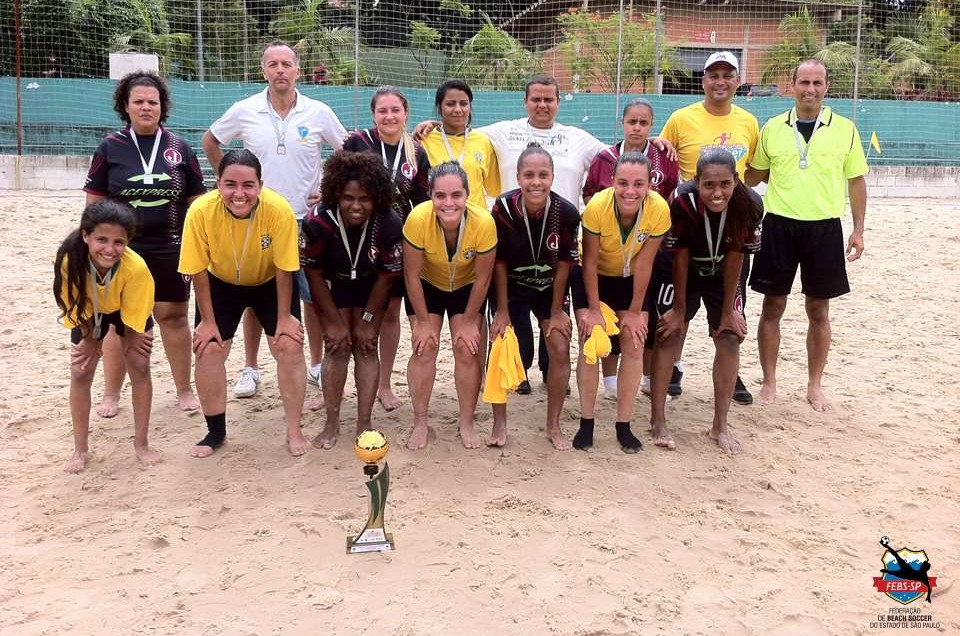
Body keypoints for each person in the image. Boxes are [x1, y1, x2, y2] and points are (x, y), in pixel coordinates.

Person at [202, 41, 347, 403]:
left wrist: (330, 190)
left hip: (306, 219)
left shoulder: (318, 111)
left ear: (297, 70)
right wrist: (229, 182)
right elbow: (210, 139)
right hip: (256, 217)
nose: (280, 70)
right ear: (263, 71)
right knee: (255, 292)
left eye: (286, 64)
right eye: (273, 64)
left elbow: (347, 149)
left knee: (311, 296)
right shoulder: (245, 109)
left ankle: (314, 362)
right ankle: (250, 368)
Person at [745, 59, 868, 412]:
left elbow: (856, 181)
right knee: (772, 306)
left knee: (819, 310)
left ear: (826, 87)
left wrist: (858, 230)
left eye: (817, 83)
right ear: (792, 85)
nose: (810, 89)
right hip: (779, 225)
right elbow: (754, 175)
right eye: (804, 82)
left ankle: (815, 385)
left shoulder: (845, 129)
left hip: (825, 228)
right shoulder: (772, 128)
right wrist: (731, 160)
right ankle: (769, 382)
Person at [84, 70, 206, 417]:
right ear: (126, 105)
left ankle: (184, 390)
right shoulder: (110, 147)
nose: (146, 107)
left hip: (171, 245)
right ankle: (111, 394)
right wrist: (93, 249)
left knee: (173, 316)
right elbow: (93, 203)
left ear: (162, 106)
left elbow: (198, 202)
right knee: (119, 320)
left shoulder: (179, 147)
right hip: (122, 250)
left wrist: (198, 245)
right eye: (138, 101)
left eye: (152, 101)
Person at [178, 149, 309, 457]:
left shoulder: (279, 210)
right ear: (218, 184)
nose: (239, 193)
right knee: (208, 349)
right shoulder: (200, 211)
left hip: (269, 282)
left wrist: (284, 319)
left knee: (289, 346)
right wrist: (207, 321)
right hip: (221, 283)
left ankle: (294, 429)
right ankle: (215, 432)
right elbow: (197, 270)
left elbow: (284, 268)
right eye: (230, 184)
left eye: (248, 185)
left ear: (260, 185)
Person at [658, 51, 759, 404]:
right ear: (703, 80)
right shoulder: (681, 117)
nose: (720, 81)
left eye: (727, 75)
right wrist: (660, 142)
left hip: (730, 228)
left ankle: (733, 376)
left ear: (737, 81)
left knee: (729, 317)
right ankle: (673, 368)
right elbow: (661, 151)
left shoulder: (748, 121)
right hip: (691, 225)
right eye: (713, 74)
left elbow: (755, 170)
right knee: (679, 313)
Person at [648, 150, 763, 454]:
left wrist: (728, 311)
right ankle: (658, 420)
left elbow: (738, 252)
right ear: (696, 181)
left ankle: (720, 426)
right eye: (709, 185)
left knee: (729, 337)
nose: (717, 193)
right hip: (679, 267)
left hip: (724, 270)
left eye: (725, 184)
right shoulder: (681, 201)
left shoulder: (749, 203)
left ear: (736, 181)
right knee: (668, 333)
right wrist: (680, 310)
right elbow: (680, 254)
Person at [300, 151, 403, 449]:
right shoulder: (317, 223)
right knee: (337, 345)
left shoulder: (389, 223)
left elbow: (386, 278)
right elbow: (314, 275)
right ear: (335, 195)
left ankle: (364, 422)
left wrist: (369, 322)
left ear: (377, 198)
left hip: (372, 288)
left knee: (367, 346)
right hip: (335, 287)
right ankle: (331, 423)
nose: (356, 206)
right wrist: (332, 322)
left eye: (364, 199)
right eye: (348, 198)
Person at [572, 152, 670, 453]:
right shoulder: (598, 207)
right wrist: (592, 309)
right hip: (596, 278)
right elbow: (588, 263)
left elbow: (644, 264)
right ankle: (586, 423)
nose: (631, 191)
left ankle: (623, 425)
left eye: (639, 184)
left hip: (631, 280)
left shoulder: (659, 210)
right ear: (612, 182)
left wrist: (638, 311)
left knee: (634, 341)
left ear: (649, 185)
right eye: (623, 183)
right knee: (592, 340)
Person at [583, 97, 680, 399]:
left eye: (644, 122)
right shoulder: (603, 160)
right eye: (632, 121)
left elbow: (670, 195)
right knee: (608, 323)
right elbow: (588, 197)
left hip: (650, 248)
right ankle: (610, 380)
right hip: (609, 251)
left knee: (643, 324)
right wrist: (611, 222)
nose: (637, 127)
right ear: (622, 124)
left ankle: (653, 376)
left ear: (652, 126)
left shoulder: (665, 158)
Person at [54, 200, 161, 473]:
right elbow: (73, 304)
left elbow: (137, 310)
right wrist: (91, 341)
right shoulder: (70, 260)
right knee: (81, 370)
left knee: (139, 365)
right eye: (102, 239)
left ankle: (142, 443)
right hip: (89, 311)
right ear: (85, 235)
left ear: (128, 242)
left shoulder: (135, 267)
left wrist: (134, 338)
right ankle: (80, 449)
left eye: (119, 242)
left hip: (127, 306)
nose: (110, 249)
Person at [344, 86, 431, 413]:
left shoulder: (416, 151)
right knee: (355, 309)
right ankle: (346, 379)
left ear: (405, 114)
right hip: (357, 236)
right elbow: (338, 183)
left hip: (396, 238)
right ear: (373, 114)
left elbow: (423, 201)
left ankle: (383, 383)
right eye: (383, 110)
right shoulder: (358, 143)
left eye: (396, 110)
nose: (389, 116)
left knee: (391, 311)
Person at [489, 145, 579, 450]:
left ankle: (553, 426)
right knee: (503, 344)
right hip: (511, 288)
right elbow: (498, 262)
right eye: (529, 175)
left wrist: (555, 311)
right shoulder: (503, 208)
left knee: (559, 344)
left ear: (553, 176)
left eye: (543, 175)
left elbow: (565, 266)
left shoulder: (566, 213)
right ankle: (499, 423)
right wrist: (501, 310)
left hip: (548, 290)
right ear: (518, 177)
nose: (536, 181)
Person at [403, 162, 496, 451]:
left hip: (466, 287)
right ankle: (420, 421)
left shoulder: (483, 222)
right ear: (430, 195)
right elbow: (411, 275)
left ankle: (466, 421)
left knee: (466, 348)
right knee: (425, 346)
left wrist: (469, 321)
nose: (448, 202)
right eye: (440, 196)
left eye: (456, 195)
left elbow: (483, 279)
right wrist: (422, 321)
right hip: (428, 285)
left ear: (467, 195)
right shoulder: (418, 219)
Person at [421, 79, 501, 210]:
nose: (458, 109)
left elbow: (493, 189)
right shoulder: (425, 140)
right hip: (439, 219)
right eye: (451, 104)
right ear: (439, 107)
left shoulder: (483, 141)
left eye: (463, 104)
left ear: (470, 107)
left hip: (476, 222)